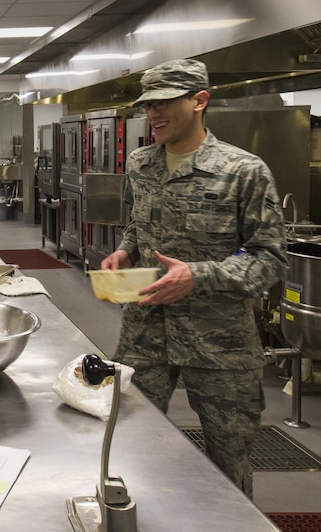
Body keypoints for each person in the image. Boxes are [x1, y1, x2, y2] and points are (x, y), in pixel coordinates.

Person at [101, 59, 287, 497]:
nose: (154, 116)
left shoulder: (243, 171)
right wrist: (126, 250)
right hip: (145, 333)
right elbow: (137, 223)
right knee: (127, 443)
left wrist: (199, 276)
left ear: (199, 101)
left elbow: (271, 258)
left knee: (228, 460)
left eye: (165, 104)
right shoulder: (141, 163)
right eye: (148, 106)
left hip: (219, 342)